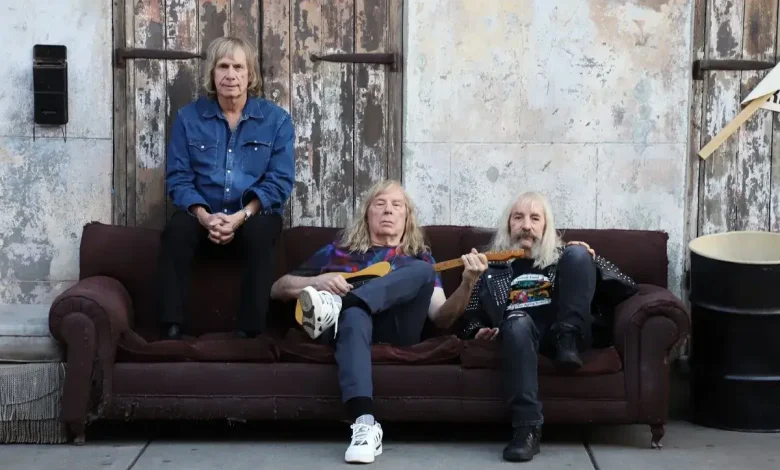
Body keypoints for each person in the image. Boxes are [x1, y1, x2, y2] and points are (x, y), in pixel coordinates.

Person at [270, 180, 487, 464]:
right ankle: (364, 424)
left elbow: (441, 317)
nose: (388, 210)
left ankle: (345, 303)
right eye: (380, 203)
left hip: (397, 330)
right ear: (367, 214)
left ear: (407, 217)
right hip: (348, 331)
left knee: (421, 270)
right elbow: (278, 288)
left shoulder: (419, 257)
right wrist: (318, 281)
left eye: (397, 205)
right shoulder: (340, 252)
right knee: (354, 316)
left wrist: (468, 283)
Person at [457, 190, 637, 462]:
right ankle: (526, 430)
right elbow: (469, 318)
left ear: (546, 226)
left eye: (535, 218)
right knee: (517, 321)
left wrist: (591, 261)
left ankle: (568, 338)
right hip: (519, 335)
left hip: (563, 333)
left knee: (577, 253)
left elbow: (626, 287)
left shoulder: (567, 257)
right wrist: (477, 331)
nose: (526, 225)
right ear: (508, 225)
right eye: (518, 218)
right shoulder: (491, 269)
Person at [156, 36, 295, 340]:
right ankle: (170, 328)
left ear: (250, 74)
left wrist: (241, 216)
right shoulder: (188, 118)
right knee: (177, 230)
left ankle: (250, 332)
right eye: (223, 66)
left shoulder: (277, 121)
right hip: (202, 215)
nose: (230, 75)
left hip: (252, 215)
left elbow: (280, 181)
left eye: (238, 67)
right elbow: (178, 177)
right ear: (212, 73)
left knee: (261, 232)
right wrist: (205, 216)